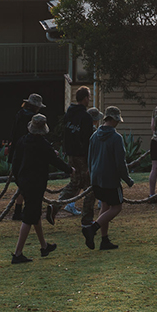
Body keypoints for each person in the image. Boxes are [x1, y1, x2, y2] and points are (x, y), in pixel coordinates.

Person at [10, 114, 73, 263]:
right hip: (36, 184)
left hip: (24, 182)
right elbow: (54, 160)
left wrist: (18, 180)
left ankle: (44, 246)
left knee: (35, 213)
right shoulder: (43, 144)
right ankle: (18, 253)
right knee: (28, 217)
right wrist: (70, 170)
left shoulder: (23, 141)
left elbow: (15, 161)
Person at [84, 106, 134, 250]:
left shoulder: (94, 136)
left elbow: (90, 158)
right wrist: (127, 179)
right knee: (116, 207)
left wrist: (92, 174)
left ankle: (104, 240)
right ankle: (92, 229)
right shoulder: (116, 138)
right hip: (110, 178)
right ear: (113, 119)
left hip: (96, 178)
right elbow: (120, 162)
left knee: (105, 205)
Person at [47, 87, 97, 226]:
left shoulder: (69, 114)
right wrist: (89, 161)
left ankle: (55, 206)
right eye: (88, 96)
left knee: (74, 184)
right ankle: (87, 219)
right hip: (82, 156)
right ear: (85, 98)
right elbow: (87, 140)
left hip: (71, 154)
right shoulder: (86, 117)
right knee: (90, 187)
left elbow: (67, 133)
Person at [9, 93, 45, 220]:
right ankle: (21, 210)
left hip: (17, 151)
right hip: (28, 151)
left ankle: (18, 210)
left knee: (21, 184)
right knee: (27, 185)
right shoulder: (32, 118)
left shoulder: (19, 114)